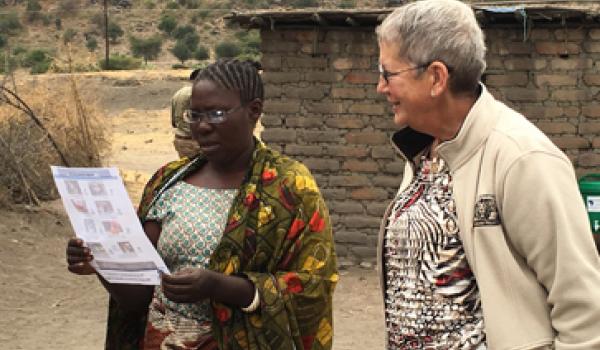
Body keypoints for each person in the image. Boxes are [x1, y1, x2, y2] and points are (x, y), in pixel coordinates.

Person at [66, 59, 338, 350]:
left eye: (216, 114)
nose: (203, 126)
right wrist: (103, 264)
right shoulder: (167, 183)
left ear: (254, 111)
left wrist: (219, 286)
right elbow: (138, 299)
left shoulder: (289, 186)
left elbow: (313, 287)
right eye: (195, 115)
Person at [375, 1, 600, 349]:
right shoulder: (424, 152)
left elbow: (585, 311)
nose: (380, 87)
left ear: (436, 77)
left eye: (388, 74)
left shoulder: (522, 158)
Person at [172, 68, 201, 158]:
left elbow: (173, 123)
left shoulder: (177, 93)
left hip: (180, 140)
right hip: (193, 142)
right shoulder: (197, 93)